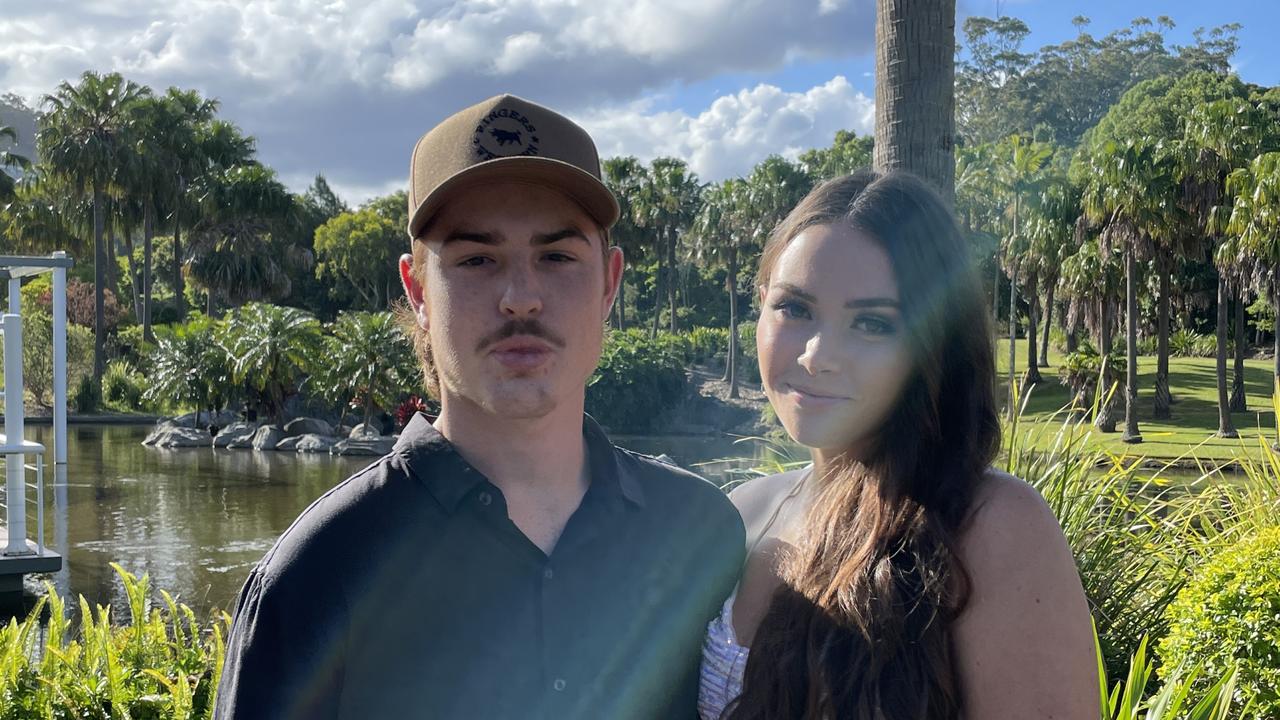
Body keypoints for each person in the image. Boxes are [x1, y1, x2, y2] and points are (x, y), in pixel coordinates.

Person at [214, 94, 745, 720]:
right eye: (476, 260)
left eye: (556, 256)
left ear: (608, 282)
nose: (521, 298)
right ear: (417, 291)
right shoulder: (320, 572)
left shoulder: (699, 536)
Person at [698, 171, 1098, 720]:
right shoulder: (745, 511)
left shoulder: (989, 525)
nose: (817, 355)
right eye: (795, 309)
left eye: (871, 323)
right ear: (761, 304)